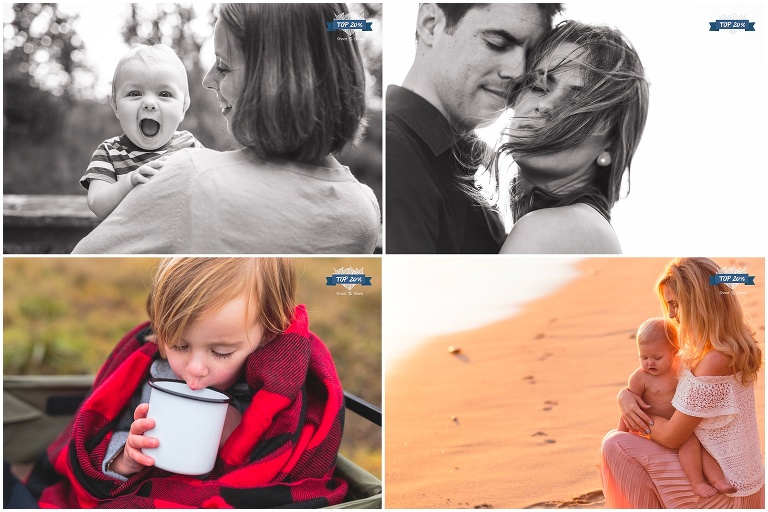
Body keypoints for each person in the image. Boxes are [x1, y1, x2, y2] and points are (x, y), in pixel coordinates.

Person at [26, 258, 349, 508]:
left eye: (221, 352)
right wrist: (125, 458)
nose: (194, 369)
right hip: (146, 490)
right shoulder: (153, 372)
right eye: (179, 346)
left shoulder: (278, 388)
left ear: (267, 332)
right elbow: (102, 438)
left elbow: (290, 469)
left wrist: (241, 437)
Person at [73, 3, 380, 254]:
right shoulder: (363, 211)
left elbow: (84, 258)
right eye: (134, 93)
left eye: (223, 65)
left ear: (273, 79)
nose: (208, 79)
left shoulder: (192, 176)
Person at [386, 3, 561, 253]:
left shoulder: (481, 165)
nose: (518, 72)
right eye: (497, 43)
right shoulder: (396, 156)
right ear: (431, 25)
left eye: (531, 56)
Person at [598, 257, 764, 507]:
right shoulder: (709, 350)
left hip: (729, 492)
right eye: (669, 305)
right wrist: (625, 395)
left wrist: (635, 414)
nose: (671, 314)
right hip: (717, 473)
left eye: (676, 304)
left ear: (701, 303)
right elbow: (656, 380)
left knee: (616, 445)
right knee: (621, 443)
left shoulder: (716, 359)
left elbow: (671, 437)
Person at [492, 20, 649, 253]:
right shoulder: (580, 227)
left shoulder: (549, 229)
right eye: (538, 85)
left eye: (575, 102)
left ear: (610, 147)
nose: (546, 105)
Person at [80, 44, 204, 220]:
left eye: (164, 94)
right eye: (135, 93)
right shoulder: (109, 153)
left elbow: (212, 184)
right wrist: (129, 181)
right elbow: (96, 204)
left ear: (183, 107)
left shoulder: (190, 146)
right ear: (116, 106)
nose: (149, 103)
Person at [618, 317, 735, 498]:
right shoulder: (640, 378)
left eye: (657, 357)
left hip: (678, 423)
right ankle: (697, 483)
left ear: (674, 352)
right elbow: (629, 409)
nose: (650, 363)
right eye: (643, 357)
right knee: (690, 442)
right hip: (656, 428)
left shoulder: (681, 366)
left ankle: (718, 480)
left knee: (702, 445)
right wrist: (621, 434)